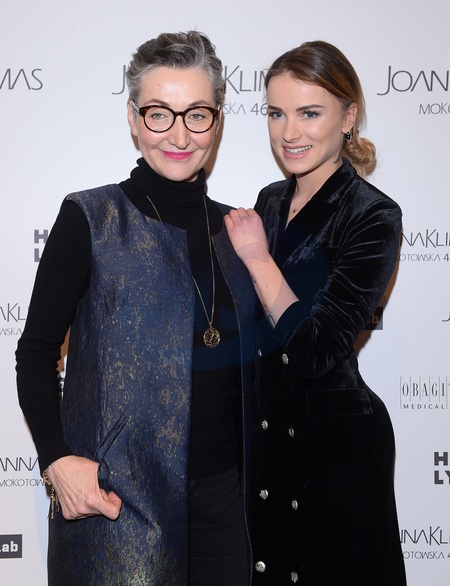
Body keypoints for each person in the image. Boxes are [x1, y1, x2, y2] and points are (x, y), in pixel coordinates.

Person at [16, 31, 255, 586]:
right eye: (159, 114)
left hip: (226, 511)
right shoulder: (90, 219)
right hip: (119, 504)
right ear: (132, 118)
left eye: (197, 115)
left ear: (217, 121)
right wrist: (56, 461)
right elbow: (35, 352)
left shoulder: (240, 233)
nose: (179, 135)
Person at [225, 40, 407, 585]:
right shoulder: (269, 202)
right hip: (266, 440)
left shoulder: (372, 216)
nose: (289, 132)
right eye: (276, 113)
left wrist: (258, 259)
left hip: (336, 451)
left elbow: (316, 348)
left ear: (348, 117)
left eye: (309, 113)